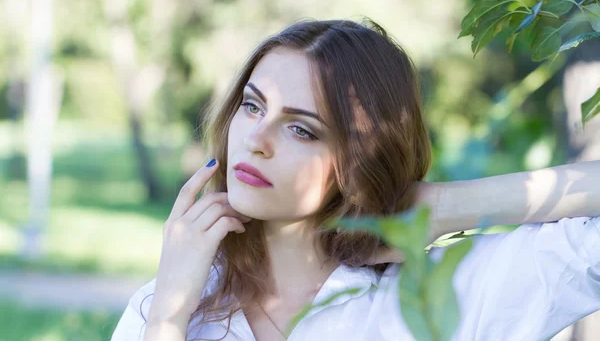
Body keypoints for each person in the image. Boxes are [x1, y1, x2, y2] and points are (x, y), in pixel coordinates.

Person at [110, 19, 600, 341]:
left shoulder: (449, 291)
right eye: (253, 105)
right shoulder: (170, 302)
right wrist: (170, 318)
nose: (256, 138)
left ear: (360, 161)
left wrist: (436, 207)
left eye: (301, 128)